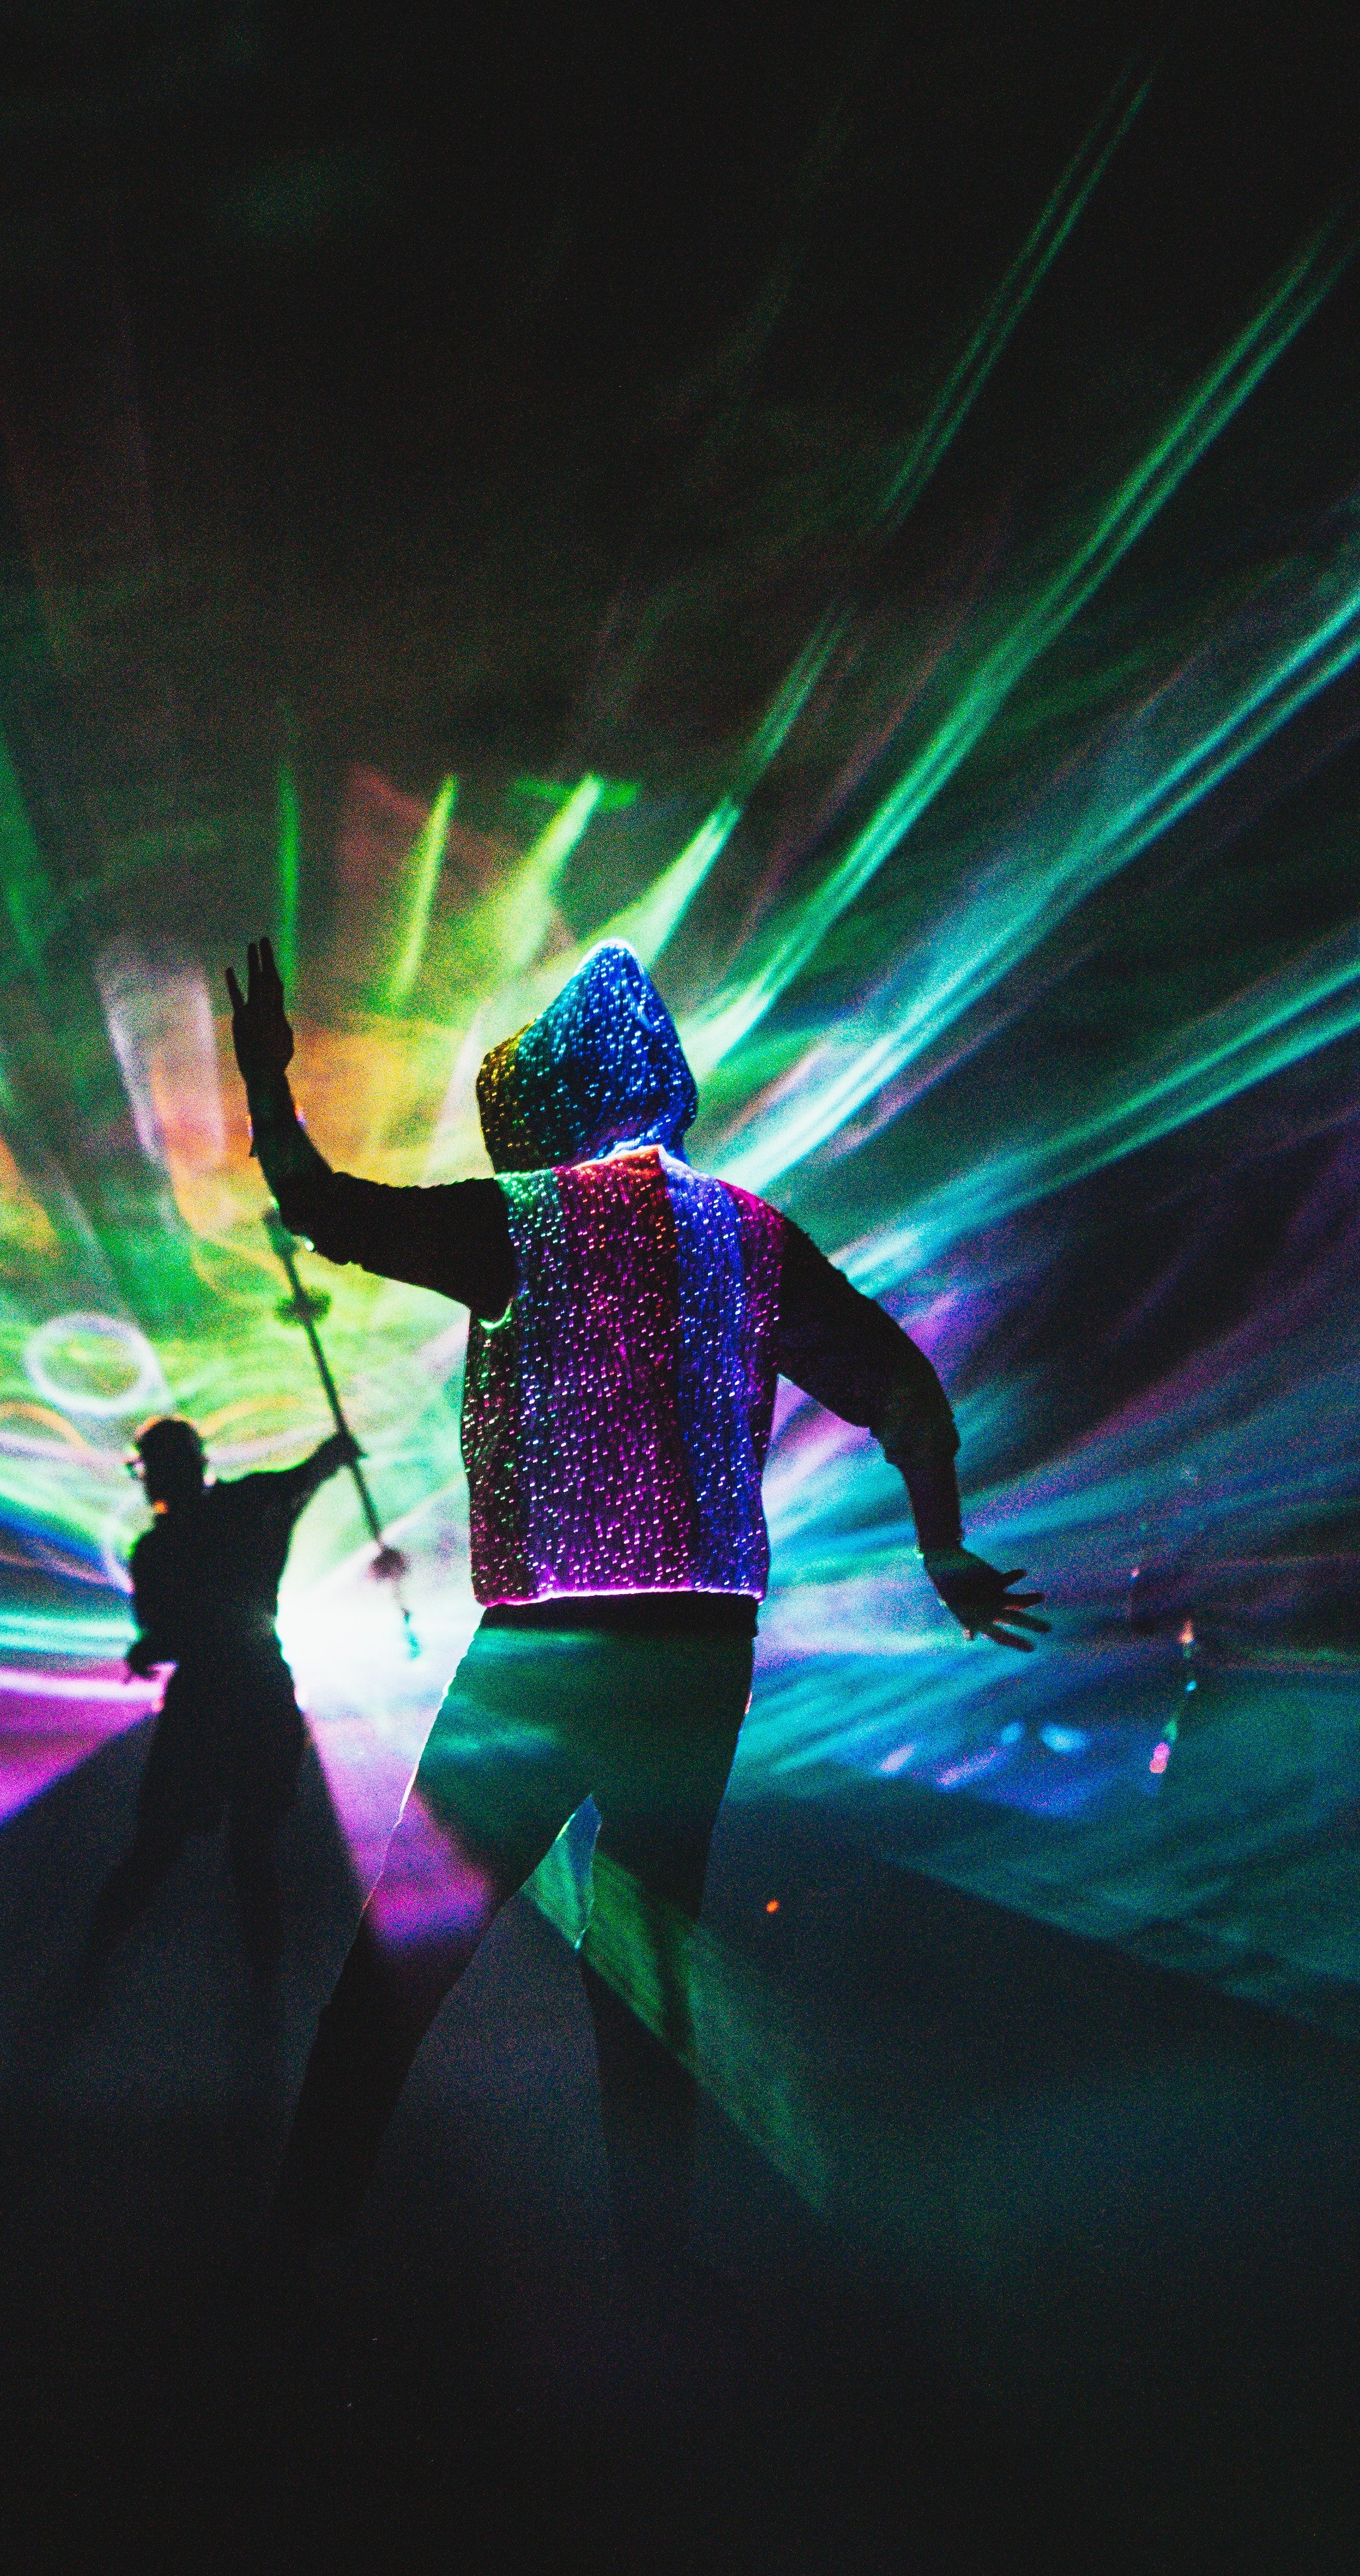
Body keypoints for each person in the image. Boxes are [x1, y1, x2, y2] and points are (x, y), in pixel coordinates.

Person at [224, 934, 1044, 2271]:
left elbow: (324, 1207)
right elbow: (903, 1389)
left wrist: (268, 1089)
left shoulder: (522, 1221)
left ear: (555, 1095)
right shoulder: (751, 1234)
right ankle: (660, 2270)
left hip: (549, 1646)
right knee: (652, 1958)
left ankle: (298, 2243)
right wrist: (942, 1549)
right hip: (702, 1651)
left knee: (407, 1952)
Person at [86, 1414, 358, 1982]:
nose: (147, 1482)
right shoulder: (248, 1505)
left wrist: (148, 1652)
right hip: (259, 1692)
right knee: (250, 1848)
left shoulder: (157, 1550)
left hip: (206, 1703)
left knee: (161, 1846)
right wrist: (333, 1455)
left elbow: (169, 1633)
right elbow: (307, 1477)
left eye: (151, 1468)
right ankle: (268, 1992)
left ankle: (89, 1969)